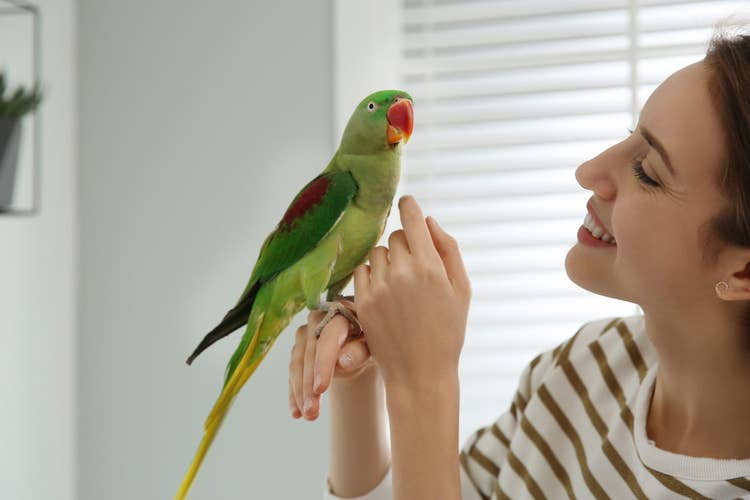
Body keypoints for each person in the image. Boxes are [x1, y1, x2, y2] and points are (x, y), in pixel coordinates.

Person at [288, 26, 750, 499]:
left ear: (742, 272)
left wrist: (423, 387)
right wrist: (361, 377)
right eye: (630, 136)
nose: (588, 171)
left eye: (648, 173)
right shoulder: (585, 365)